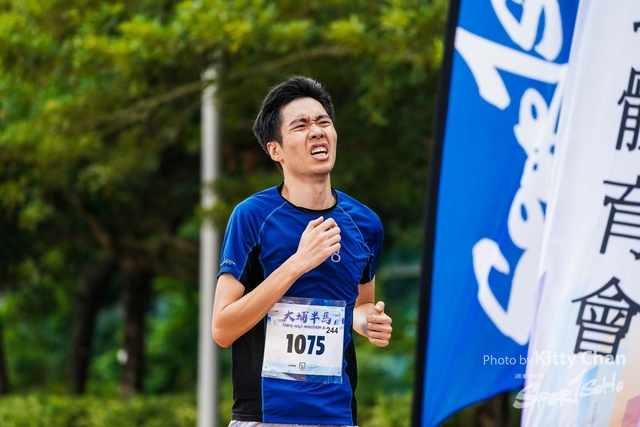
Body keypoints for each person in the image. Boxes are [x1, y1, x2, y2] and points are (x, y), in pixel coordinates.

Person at [211, 76, 393, 427]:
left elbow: (360, 304)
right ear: (275, 150)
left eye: (323, 122)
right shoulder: (253, 217)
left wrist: (368, 321)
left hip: (338, 416)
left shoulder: (365, 224)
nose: (317, 131)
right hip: (264, 417)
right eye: (301, 125)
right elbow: (222, 328)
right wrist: (297, 263)